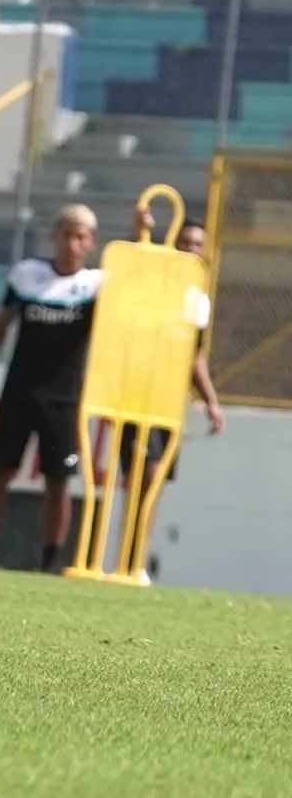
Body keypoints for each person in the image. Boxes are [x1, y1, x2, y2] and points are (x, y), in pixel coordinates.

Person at [0, 204, 103, 572]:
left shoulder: (96, 286)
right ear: (55, 235)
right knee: (0, 473)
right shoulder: (28, 274)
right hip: (19, 391)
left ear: (91, 242)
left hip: (64, 398)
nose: (72, 243)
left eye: (81, 237)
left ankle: (50, 561)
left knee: (58, 481)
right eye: (67, 234)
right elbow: (1, 326)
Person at [116, 209, 224, 573]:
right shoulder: (156, 281)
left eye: (197, 245)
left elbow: (195, 357)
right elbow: (131, 271)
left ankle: (135, 559)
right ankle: (125, 556)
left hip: (169, 400)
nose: (191, 250)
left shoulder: (199, 301)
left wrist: (211, 402)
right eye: (185, 243)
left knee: (155, 479)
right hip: (139, 389)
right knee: (139, 476)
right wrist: (139, 233)